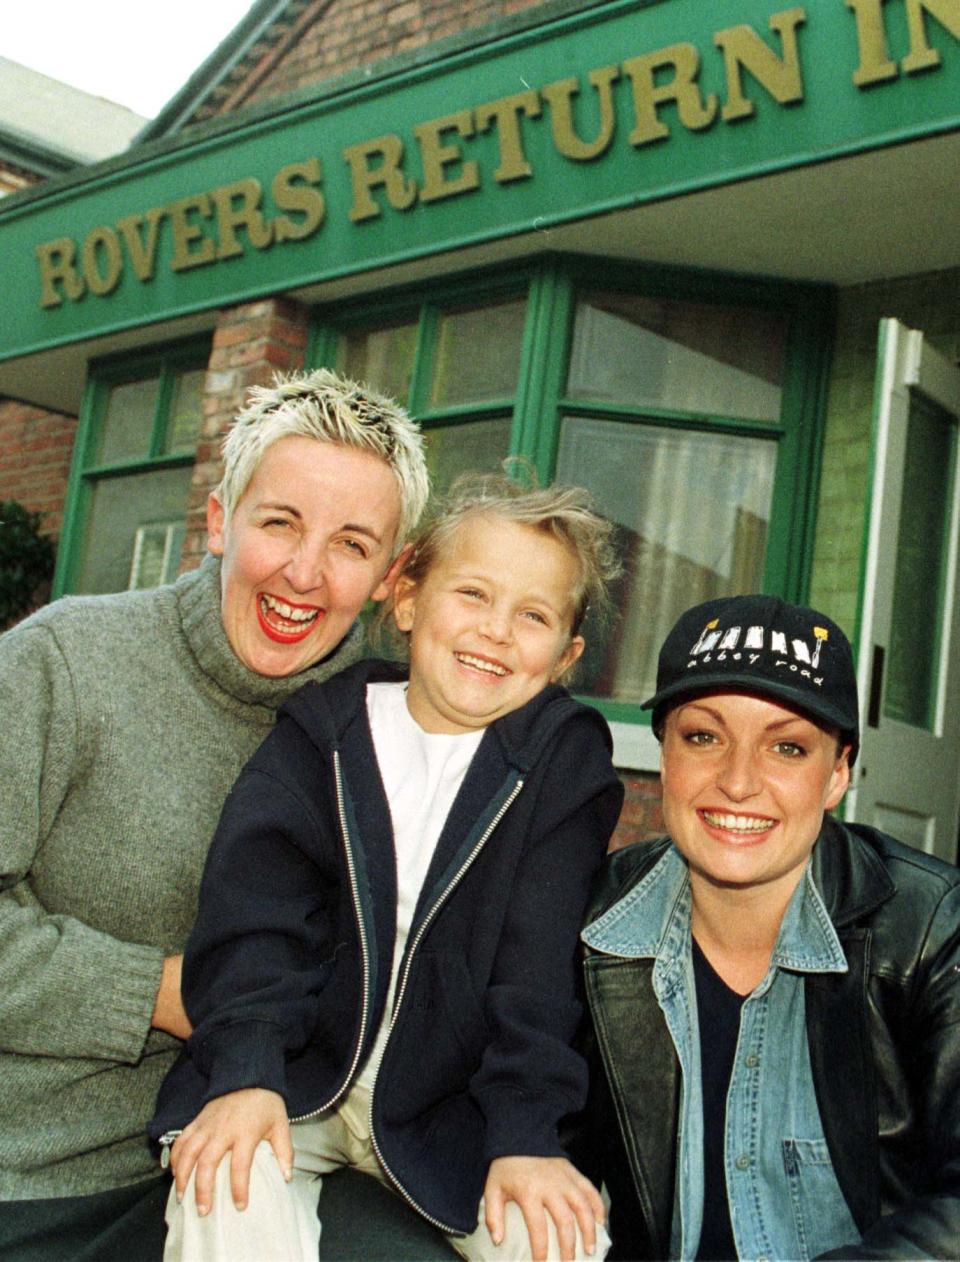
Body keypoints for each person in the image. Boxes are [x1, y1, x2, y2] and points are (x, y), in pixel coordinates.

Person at [0, 370, 429, 1260]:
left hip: (268, 1158)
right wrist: (162, 992)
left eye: (351, 544)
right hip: (31, 1176)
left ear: (389, 577)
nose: (304, 573)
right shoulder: (65, 661)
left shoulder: (395, 728)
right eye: (279, 523)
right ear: (217, 521)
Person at [149, 474, 626, 1262]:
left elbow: (539, 973)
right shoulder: (323, 734)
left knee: (560, 1244)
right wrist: (243, 1071)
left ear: (567, 656)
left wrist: (526, 1133)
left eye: (534, 615)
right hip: (299, 1074)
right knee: (222, 1183)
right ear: (406, 597)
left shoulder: (561, 764)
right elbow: (255, 923)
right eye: (472, 593)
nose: (497, 631)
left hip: (455, 1107)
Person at [580, 594, 960, 1261]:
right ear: (664, 752)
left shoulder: (929, 928)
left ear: (837, 772)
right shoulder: (593, 922)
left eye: (787, 747)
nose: (738, 781)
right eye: (704, 736)